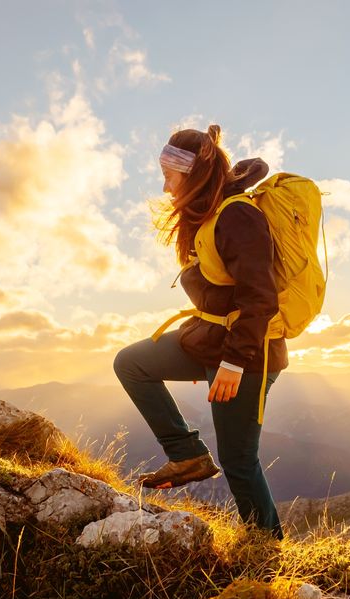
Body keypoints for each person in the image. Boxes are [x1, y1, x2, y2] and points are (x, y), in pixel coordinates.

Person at [113, 125, 285, 539]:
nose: (166, 185)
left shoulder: (238, 215)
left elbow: (260, 299)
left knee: (240, 461)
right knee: (131, 363)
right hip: (210, 340)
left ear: (192, 174)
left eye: (170, 175)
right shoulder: (207, 215)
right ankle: (187, 454)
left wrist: (232, 363)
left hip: (246, 354)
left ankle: (268, 551)